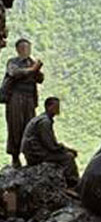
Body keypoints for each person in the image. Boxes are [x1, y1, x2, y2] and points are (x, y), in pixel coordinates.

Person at [21, 97, 79, 187]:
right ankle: (72, 184)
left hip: (34, 151)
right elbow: (51, 145)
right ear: (49, 107)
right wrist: (66, 150)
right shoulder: (45, 122)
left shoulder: (42, 119)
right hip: (36, 153)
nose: (58, 109)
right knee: (68, 158)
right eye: (56, 106)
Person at [4, 39, 44, 168]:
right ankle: (15, 157)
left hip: (29, 98)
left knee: (30, 127)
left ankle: (30, 155)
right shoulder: (13, 62)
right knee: (15, 127)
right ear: (18, 49)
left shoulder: (31, 62)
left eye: (28, 48)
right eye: (24, 48)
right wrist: (32, 69)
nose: (27, 51)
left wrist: (37, 70)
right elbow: (14, 73)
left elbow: (40, 79)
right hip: (16, 98)